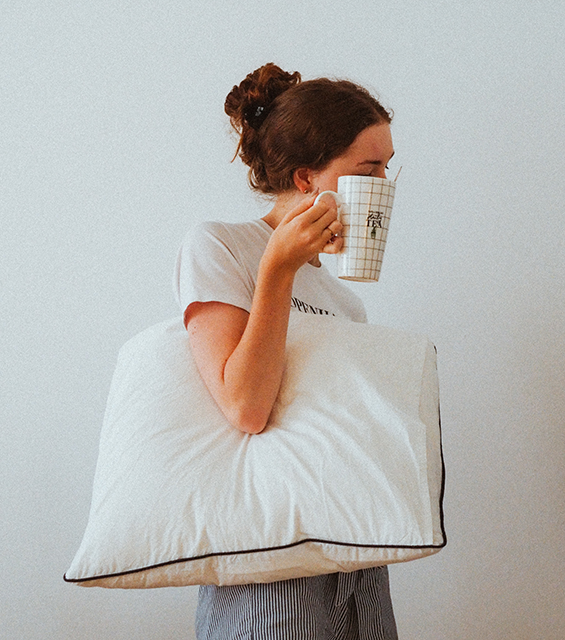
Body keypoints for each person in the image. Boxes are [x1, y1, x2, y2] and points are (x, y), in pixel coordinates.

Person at [174, 63, 398, 640]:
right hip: (265, 561)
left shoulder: (346, 300)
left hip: (353, 554)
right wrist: (278, 266)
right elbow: (245, 407)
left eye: (389, 169)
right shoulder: (221, 246)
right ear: (306, 177)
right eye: (368, 169)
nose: (383, 186)